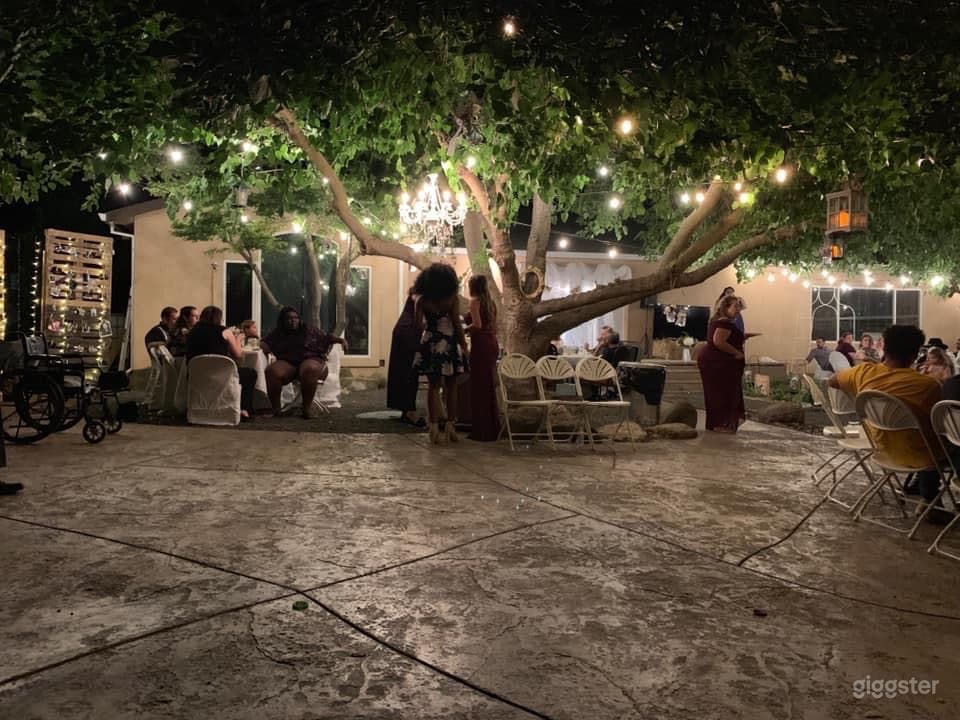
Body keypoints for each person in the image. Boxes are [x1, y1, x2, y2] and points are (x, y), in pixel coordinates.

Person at [829, 325, 946, 517]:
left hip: (880, 448)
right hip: (922, 455)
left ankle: (926, 494)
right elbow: (939, 422)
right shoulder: (928, 385)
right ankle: (930, 499)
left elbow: (832, 381)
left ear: (885, 348)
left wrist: (859, 388)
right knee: (945, 439)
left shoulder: (862, 373)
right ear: (915, 354)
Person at [412, 263, 468, 444]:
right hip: (449, 342)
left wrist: (429, 329)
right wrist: (463, 345)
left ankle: (434, 428)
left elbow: (418, 325)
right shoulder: (452, 299)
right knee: (452, 386)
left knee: (433, 387)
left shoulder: (422, 300)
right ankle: (451, 427)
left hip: (430, 342)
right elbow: (457, 324)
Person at [261, 307, 347, 419]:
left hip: (312, 359)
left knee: (309, 369)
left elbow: (327, 337)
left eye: (295, 318)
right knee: (272, 371)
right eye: (289, 318)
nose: (293, 320)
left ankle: (306, 409)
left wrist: (341, 341)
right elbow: (265, 344)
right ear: (282, 321)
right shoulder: (278, 333)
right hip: (290, 363)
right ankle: (276, 410)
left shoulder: (308, 329)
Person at [186, 305, 257, 421]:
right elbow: (238, 354)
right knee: (250, 374)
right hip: (221, 376)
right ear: (219, 318)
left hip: (196, 376)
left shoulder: (191, 332)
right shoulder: (225, 332)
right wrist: (238, 339)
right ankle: (244, 410)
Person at [698, 295, 746, 433]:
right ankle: (719, 424)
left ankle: (718, 424)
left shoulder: (720, 321)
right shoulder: (724, 323)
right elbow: (718, 341)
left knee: (719, 393)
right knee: (721, 394)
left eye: (739, 306)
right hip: (717, 364)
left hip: (717, 363)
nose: (738, 309)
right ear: (726, 308)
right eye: (735, 306)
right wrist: (736, 353)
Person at [464, 275, 500, 442]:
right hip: (492, 342)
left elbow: (477, 325)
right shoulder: (491, 303)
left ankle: (481, 430)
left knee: (478, 387)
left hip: (481, 345)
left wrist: (464, 330)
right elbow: (493, 325)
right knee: (488, 386)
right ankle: (492, 428)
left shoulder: (474, 302)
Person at [387, 284, 426, 428]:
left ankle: (406, 409)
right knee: (408, 372)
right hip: (407, 334)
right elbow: (418, 319)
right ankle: (409, 410)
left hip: (406, 333)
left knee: (406, 372)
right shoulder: (418, 297)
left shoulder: (416, 297)